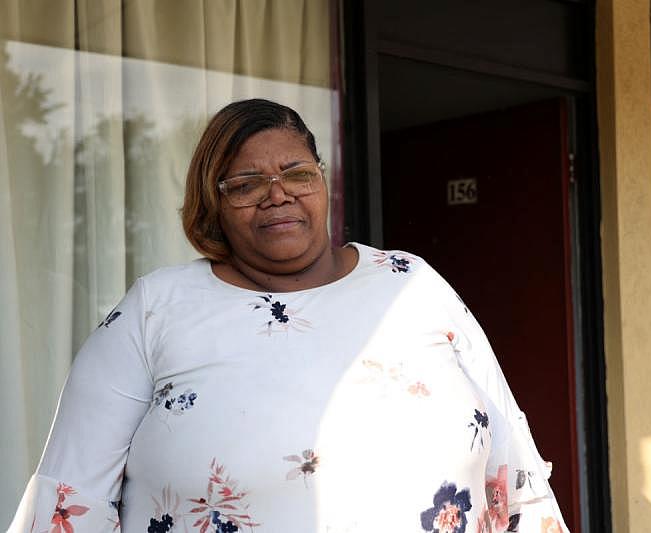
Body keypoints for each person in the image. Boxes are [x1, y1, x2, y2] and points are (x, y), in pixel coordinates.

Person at [8, 99, 568, 533]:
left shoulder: (413, 285)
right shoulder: (155, 311)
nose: (277, 195)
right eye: (246, 184)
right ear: (213, 204)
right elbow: (70, 501)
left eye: (296, 173)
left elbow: (514, 473)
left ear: (322, 179)